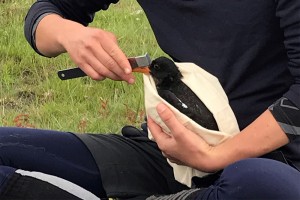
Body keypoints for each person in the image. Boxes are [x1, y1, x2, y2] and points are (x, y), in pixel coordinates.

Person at [1, 0, 299, 199]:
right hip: (170, 155)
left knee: (262, 186)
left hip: (272, 162)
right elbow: (42, 15)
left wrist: (212, 157)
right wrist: (70, 34)